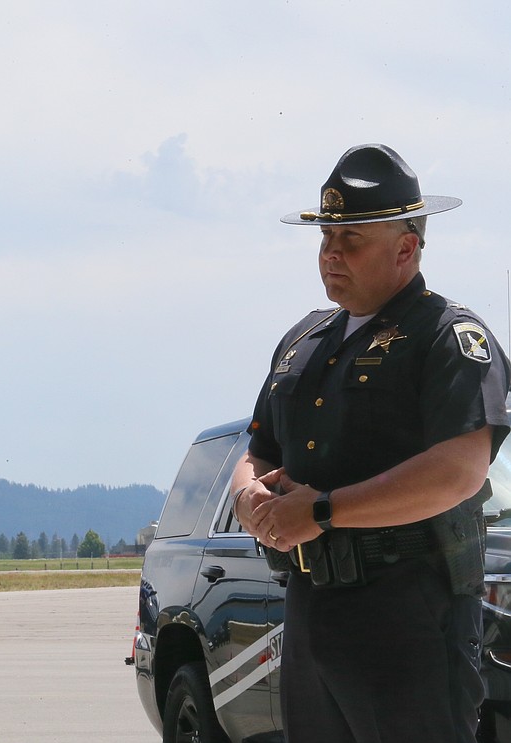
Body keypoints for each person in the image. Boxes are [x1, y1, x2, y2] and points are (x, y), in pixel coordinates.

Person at [229, 143, 511, 742]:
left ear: (406, 246)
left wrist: (324, 512)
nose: (331, 254)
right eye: (327, 238)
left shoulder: (446, 338)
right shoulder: (304, 339)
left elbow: (458, 471)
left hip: (410, 613)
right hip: (312, 609)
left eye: (351, 240)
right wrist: (250, 496)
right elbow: (259, 447)